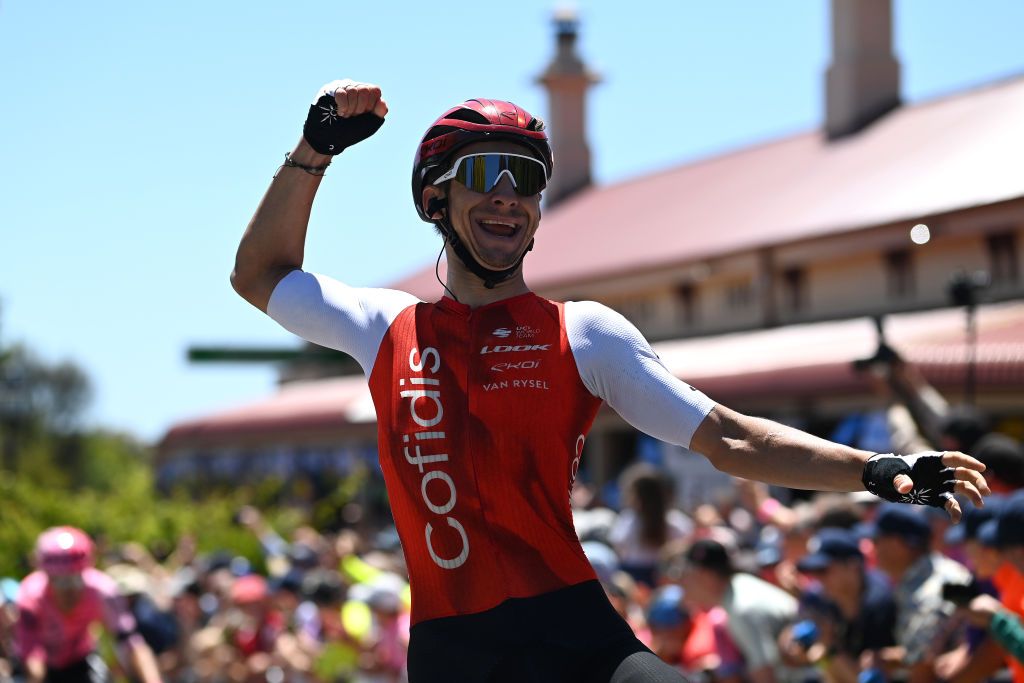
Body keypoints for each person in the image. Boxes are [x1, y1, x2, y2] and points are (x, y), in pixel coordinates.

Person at [231, 79, 990, 682]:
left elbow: (726, 435)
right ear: (436, 198)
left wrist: (876, 468)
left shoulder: (584, 332)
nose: (508, 195)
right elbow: (258, 274)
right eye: (486, 175)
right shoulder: (386, 327)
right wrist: (314, 149)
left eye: (526, 181)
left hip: (575, 634)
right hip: (452, 653)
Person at [15, 526, 163, 683]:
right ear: (48, 577)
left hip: (80, 660)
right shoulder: (31, 596)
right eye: (61, 582)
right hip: (39, 663)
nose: (69, 591)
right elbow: (33, 659)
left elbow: (132, 643)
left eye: (76, 580)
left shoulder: (102, 591)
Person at [780, 527, 897, 683]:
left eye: (823, 570)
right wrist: (792, 645)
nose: (817, 578)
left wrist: (829, 651)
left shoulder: (880, 603)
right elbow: (788, 650)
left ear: (853, 566)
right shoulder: (820, 597)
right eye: (813, 571)